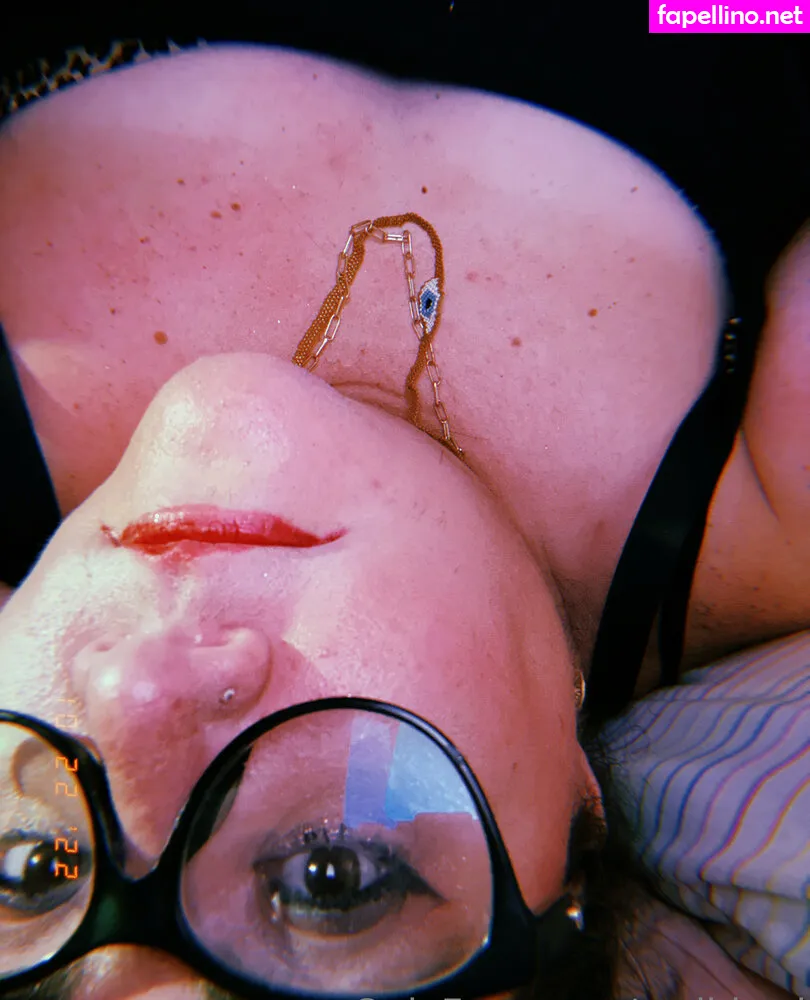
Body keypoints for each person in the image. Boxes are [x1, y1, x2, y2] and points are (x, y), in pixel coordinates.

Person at [0, 34, 807, 1000]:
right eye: (333, 875)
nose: (134, 688)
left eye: (31, 866)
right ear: (572, 830)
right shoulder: (767, 507)